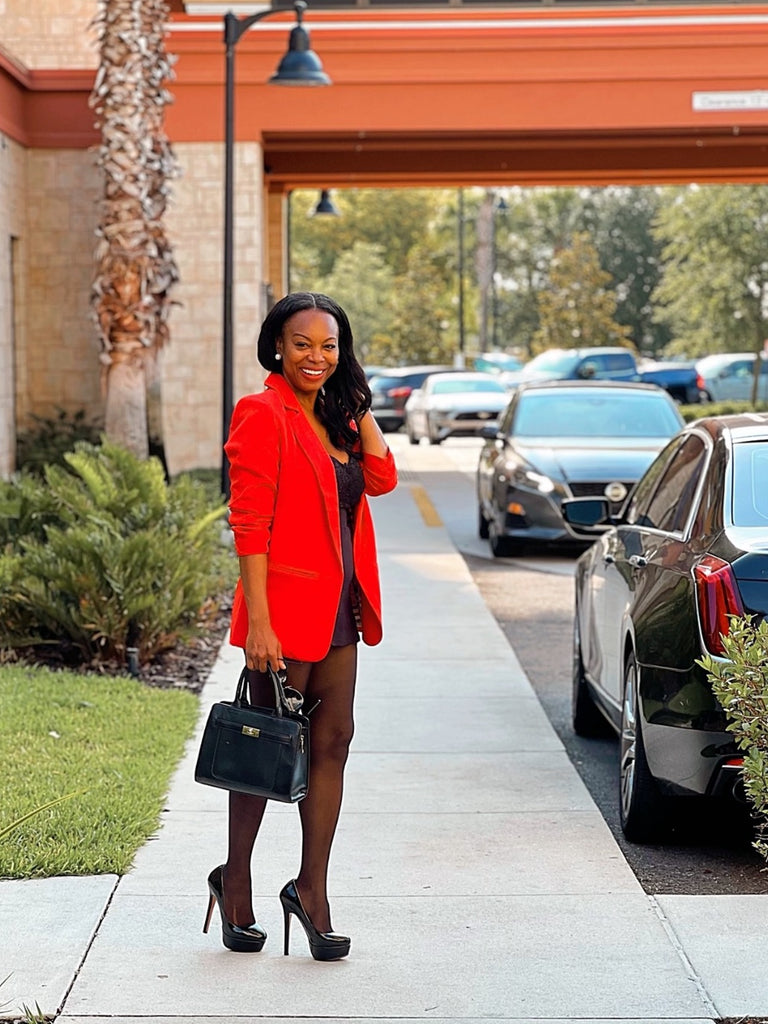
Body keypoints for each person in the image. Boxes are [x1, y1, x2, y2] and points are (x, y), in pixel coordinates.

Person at [203, 291, 397, 961]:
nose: (316, 356)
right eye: (303, 343)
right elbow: (249, 523)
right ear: (277, 347)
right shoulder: (262, 413)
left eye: (329, 345)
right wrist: (259, 622)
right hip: (283, 616)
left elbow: (384, 479)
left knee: (332, 746)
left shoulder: (338, 420)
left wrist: (362, 410)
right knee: (265, 752)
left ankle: (311, 891)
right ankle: (235, 881)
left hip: (342, 609)